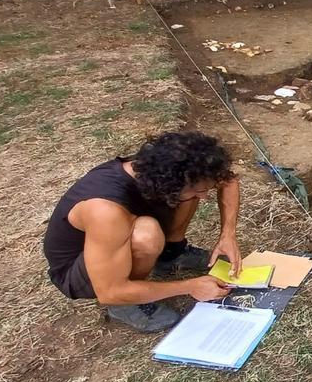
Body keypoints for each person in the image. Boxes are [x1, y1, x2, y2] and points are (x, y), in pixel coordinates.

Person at [43, 130, 242, 332]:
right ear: (171, 184)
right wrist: (189, 286)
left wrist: (228, 235)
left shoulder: (161, 169)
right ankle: (124, 306)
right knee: (146, 234)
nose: (205, 197)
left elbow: (228, 180)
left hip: (116, 239)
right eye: (201, 190)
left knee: (188, 197)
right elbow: (110, 291)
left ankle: (171, 255)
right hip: (81, 272)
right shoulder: (105, 210)